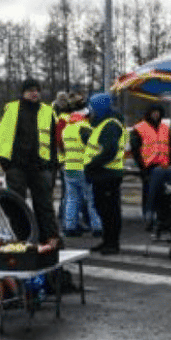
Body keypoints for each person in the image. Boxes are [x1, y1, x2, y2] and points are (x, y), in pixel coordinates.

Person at [0, 78, 61, 244]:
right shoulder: (12, 109)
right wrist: (6, 163)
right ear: (23, 93)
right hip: (17, 166)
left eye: (37, 90)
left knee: (44, 204)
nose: (34, 93)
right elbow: (2, 136)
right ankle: (21, 238)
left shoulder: (47, 111)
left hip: (40, 165)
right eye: (30, 90)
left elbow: (54, 140)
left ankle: (50, 239)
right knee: (17, 205)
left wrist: (53, 165)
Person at [83, 92, 127, 255]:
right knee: (103, 208)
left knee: (110, 210)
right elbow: (101, 146)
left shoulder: (110, 125)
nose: (90, 112)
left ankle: (112, 243)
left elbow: (109, 150)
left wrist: (92, 165)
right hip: (102, 174)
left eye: (92, 108)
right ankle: (107, 240)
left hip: (107, 174)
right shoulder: (103, 124)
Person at [59, 94, 102, 238]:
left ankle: (69, 226)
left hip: (69, 168)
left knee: (72, 199)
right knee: (92, 199)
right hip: (83, 169)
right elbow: (94, 148)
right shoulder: (84, 129)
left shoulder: (67, 129)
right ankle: (97, 227)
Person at [129, 104, 171, 225]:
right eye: (154, 112)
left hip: (163, 166)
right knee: (148, 193)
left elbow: (170, 147)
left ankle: (160, 217)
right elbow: (135, 149)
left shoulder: (165, 128)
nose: (156, 114)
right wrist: (142, 166)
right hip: (148, 166)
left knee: (162, 193)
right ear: (149, 113)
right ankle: (148, 216)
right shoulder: (139, 128)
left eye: (158, 112)